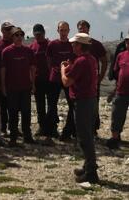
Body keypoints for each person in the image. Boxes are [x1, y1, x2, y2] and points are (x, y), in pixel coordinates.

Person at [61, 33, 99, 183]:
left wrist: (63, 69)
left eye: (74, 44)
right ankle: (88, 165)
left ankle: (91, 173)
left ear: (80, 45)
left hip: (82, 102)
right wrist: (72, 66)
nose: (72, 46)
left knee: (84, 138)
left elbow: (67, 82)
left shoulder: (81, 61)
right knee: (87, 134)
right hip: (91, 101)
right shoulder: (91, 59)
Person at [1, 27, 36, 147]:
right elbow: (3, 70)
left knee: (26, 112)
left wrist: (33, 84)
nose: (19, 37)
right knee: (13, 113)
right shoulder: (6, 51)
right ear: (12, 37)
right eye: (16, 35)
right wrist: (3, 86)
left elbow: (32, 68)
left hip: (25, 86)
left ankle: (27, 136)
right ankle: (13, 138)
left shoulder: (28, 51)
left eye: (21, 34)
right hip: (12, 87)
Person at [46, 21, 76, 140]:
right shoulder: (52, 44)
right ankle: (50, 131)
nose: (63, 32)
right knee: (52, 105)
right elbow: (48, 60)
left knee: (72, 105)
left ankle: (68, 132)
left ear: (69, 31)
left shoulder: (72, 44)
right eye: (61, 30)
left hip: (68, 78)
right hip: (54, 78)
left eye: (65, 30)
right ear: (57, 31)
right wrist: (53, 69)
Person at [77, 20, 108, 134]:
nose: (82, 30)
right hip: (79, 82)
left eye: (84, 28)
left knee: (93, 106)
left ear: (88, 29)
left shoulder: (96, 44)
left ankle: (93, 129)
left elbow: (104, 61)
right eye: (80, 28)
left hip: (93, 82)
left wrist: (100, 77)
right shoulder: (75, 44)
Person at [106, 35, 129, 149]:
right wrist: (114, 91)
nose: (128, 43)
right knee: (117, 115)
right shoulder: (121, 55)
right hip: (121, 91)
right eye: (127, 41)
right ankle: (115, 138)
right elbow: (116, 73)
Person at [29, 24, 50, 136]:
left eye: (40, 34)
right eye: (36, 34)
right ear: (33, 34)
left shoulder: (50, 45)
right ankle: (42, 127)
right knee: (40, 105)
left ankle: (51, 127)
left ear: (44, 33)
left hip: (50, 79)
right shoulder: (32, 47)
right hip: (37, 79)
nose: (38, 36)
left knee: (51, 105)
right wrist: (32, 82)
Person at [0, 22, 14, 135]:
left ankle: (13, 127)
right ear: (2, 30)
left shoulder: (14, 43)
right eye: (6, 29)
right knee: (2, 106)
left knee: (13, 106)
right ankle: (3, 128)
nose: (9, 31)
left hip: (13, 80)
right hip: (1, 81)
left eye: (10, 29)